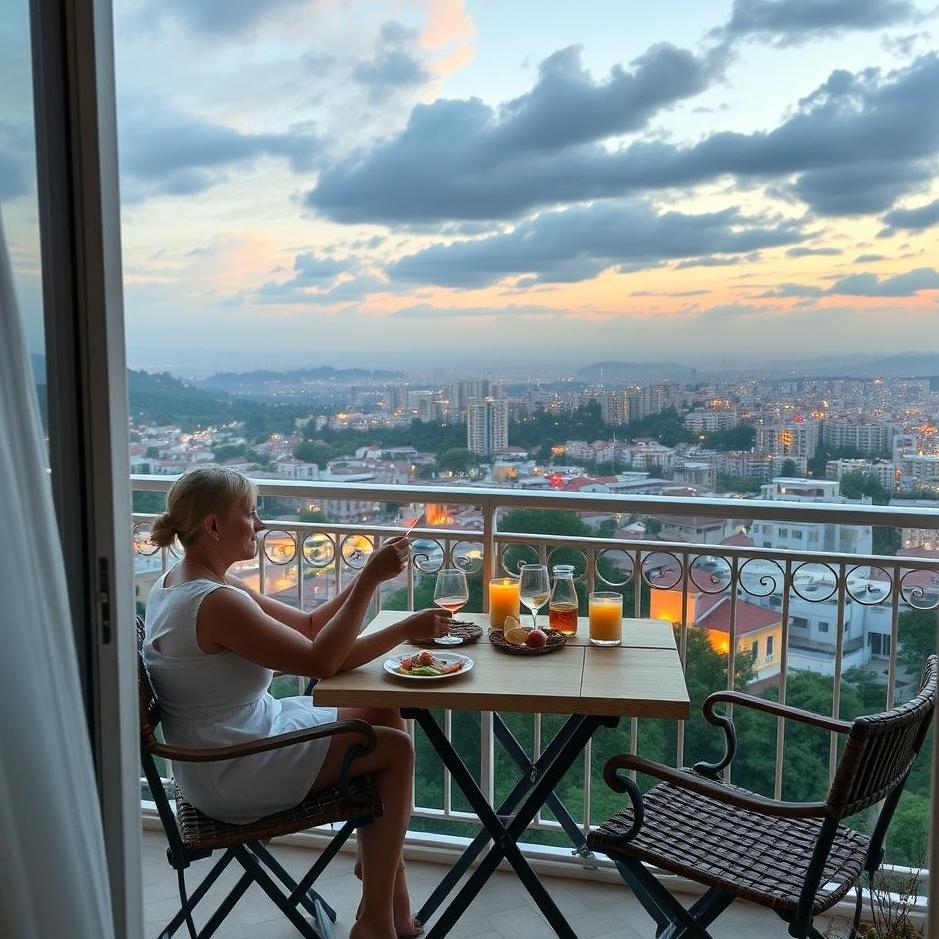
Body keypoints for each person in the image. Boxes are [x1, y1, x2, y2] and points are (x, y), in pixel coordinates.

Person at [144, 465, 451, 939]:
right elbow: (321, 662)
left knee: (383, 711)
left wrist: (371, 578)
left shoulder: (187, 582)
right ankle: (375, 917)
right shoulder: (215, 603)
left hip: (231, 742)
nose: (260, 524)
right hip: (231, 767)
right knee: (397, 749)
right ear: (213, 526)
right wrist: (386, 603)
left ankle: (386, 884)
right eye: (250, 513)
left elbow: (309, 628)